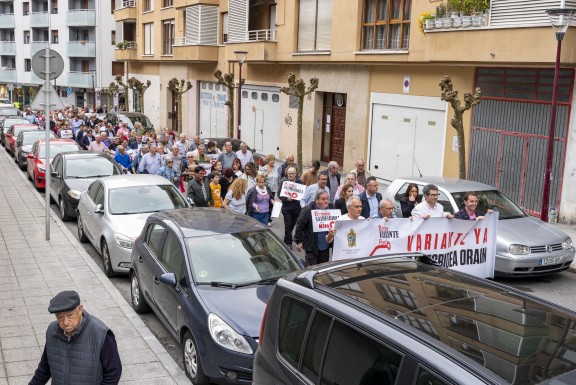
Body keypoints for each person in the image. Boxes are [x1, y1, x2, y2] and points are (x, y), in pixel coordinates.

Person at [28, 290, 122, 385]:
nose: (65, 322)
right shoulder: (52, 331)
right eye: (60, 317)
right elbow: (44, 369)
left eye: (70, 315)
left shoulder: (101, 334)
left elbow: (113, 373)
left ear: (80, 309)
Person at [294, 190, 336, 266]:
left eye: (327, 198)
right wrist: (298, 241)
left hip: (325, 246)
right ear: (316, 200)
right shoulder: (308, 209)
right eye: (323, 199)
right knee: (313, 269)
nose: (326, 201)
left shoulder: (332, 208)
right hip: (311, 246)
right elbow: (299, 225)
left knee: (323, 268)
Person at [278, 166, 303, 248]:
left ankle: (287, 238)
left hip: (296, 208)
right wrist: (286, 199)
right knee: (288, 225)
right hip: (287, 208)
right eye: (289, 174)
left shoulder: (299, 181)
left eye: (293, 173)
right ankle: (288, 243)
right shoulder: (283, 181)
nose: (291, 175)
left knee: (292, 225)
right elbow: (279, 194)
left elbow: (303, 193)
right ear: (287, 174)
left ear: (296, 174)